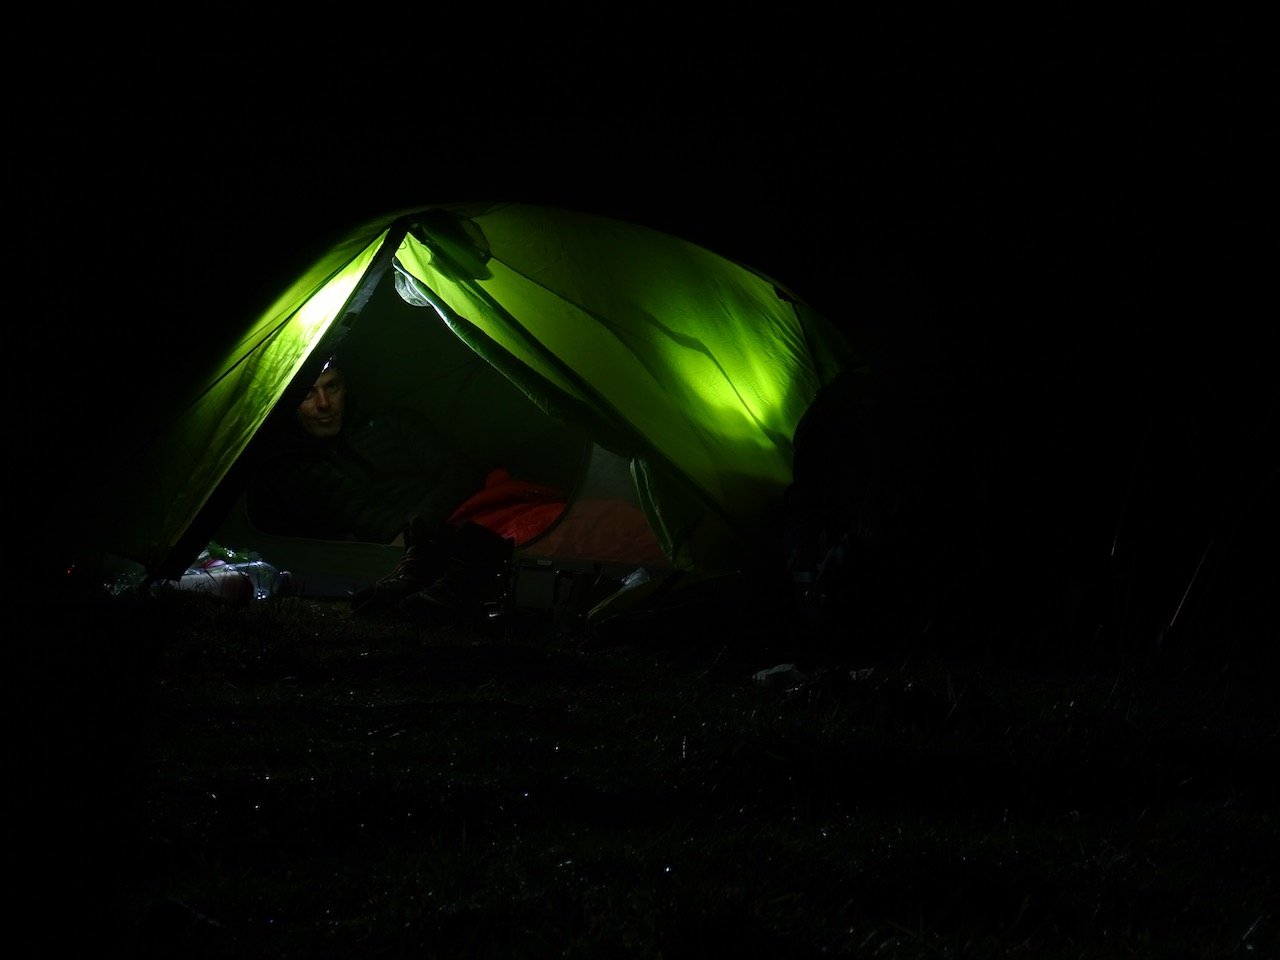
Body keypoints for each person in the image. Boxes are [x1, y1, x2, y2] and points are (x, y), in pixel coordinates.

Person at [248, 352, 518, 618]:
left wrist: (421, 524)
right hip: (387, 554)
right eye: (307, 394)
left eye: (332, 386)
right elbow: (323, 519)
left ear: (345, 386)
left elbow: (458, 471)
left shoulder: (390, 421)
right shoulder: (287, 466)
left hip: (452, 524)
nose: (324, 403)